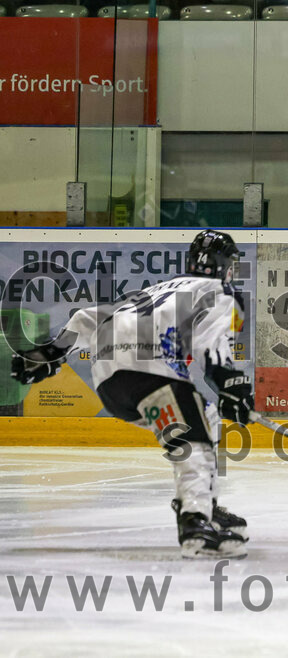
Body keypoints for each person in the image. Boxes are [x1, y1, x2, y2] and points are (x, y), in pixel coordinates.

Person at [9, 230, 253, 559]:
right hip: (151, 376)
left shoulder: (154, 291)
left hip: (112, 385)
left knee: (204, 418)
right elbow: (212, 346)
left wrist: (51, 353)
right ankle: (195, 523)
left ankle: (202, 503)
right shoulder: (219, 291)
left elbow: (85, 319)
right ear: (226, 265)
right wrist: (230, 382)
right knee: (192, 440)